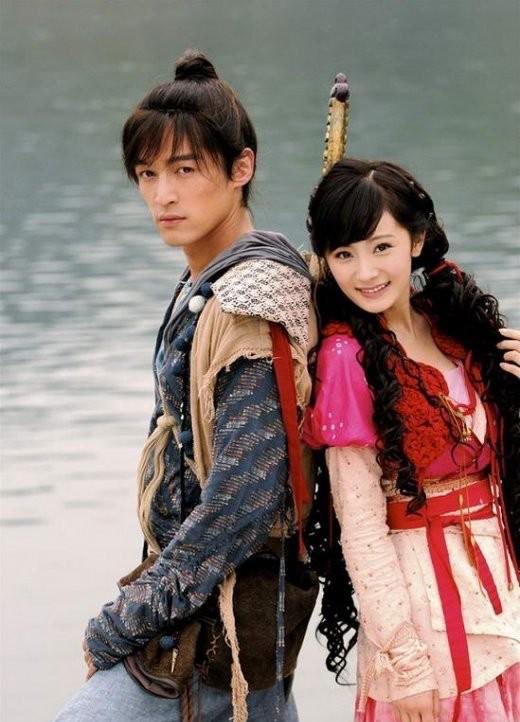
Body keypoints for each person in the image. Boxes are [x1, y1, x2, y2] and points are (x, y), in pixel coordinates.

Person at [53, 49, 318, 722]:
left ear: (241, 168)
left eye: (185, 169)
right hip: (209, 617)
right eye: (147, 174)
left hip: (213, 633)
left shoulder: (252, 300)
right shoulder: (208, 279)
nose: (162, 195)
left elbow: (243, 500)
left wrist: (122, 623)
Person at [303, 159, 520, 722]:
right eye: (344, 254)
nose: (365, 272)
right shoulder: (346, 358)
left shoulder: (452, 328)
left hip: (501, 596)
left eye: (381, 247)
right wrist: (407, 665)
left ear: (416, 241)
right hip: (426, 619)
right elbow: (362, 529)